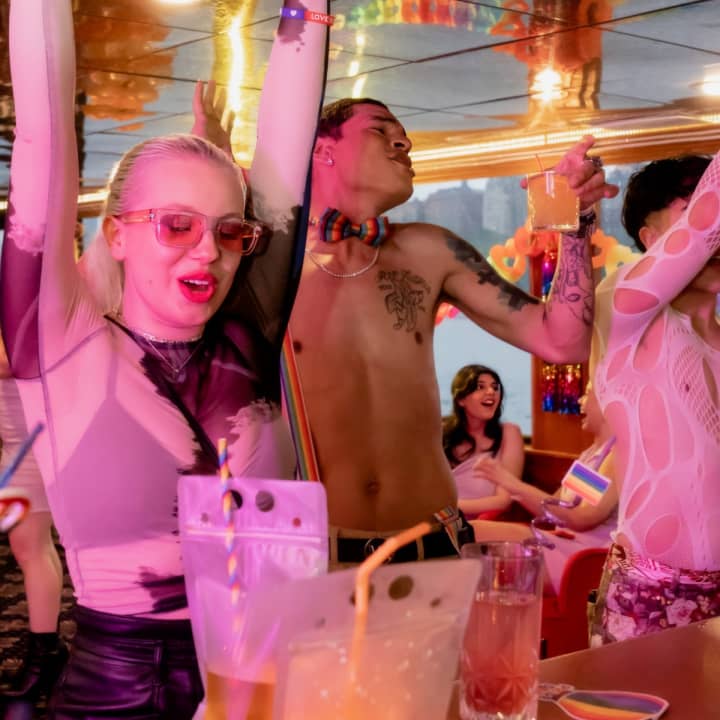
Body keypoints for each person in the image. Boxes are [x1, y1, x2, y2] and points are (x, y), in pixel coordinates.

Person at [1, 1, 329, 717]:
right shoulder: (64, 347)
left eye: (229, 231)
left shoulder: (246, 337)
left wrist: (306, 11)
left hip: (263, 685)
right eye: (176, 225)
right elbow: (44, 133)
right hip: (116, 695)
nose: (207, 252)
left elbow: (288, 138)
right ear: (116, 234)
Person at [287, 98, 618, 564]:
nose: (403, 143)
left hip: (435, 544)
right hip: (313, 553)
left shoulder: (431, 250)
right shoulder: (267, 265)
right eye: (381, 131)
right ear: (322, 148)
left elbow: (563, 341)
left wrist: (577, 222)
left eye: (403, 135)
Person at [589, 153, 720, 644]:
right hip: (649, 593)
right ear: (649, 238)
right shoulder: (625, 312)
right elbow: (703, 229)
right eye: (687, 210)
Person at [471, 382, 617, 594]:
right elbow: (557, 509)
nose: (580, 401)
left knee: (479, 558)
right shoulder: (593, 454)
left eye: (586, 394)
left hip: (584, 559)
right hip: (564, 542)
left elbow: (582, 519)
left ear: (608, 403)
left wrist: (514, 485)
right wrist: (513, 489)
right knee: (473, 531)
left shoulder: (616, 456)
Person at [0, 338, 65, 707]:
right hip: (18, 437)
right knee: (31, 546)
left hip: (41, 435)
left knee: (31, 546)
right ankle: (48, 650)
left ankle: (45, 655)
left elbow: (15, 359)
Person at [442, 365, 523, 519]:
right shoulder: (442, 434)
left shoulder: (509, 433)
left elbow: (503, 501)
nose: (491, 392)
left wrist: (447, 509)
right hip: (434, 520)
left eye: (495, 387)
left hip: (476, 524)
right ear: (461, 399)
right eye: (480, 387)